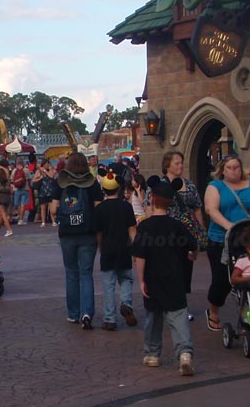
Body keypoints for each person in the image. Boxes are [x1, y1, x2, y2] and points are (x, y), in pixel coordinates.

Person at [132, 177, 196, 375]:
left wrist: (141, 280)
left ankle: (152, 354)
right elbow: (193, 248)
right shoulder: (177, 226)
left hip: (153, 278)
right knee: (178, 317)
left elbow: (140, 256)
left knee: (153, 317)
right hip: (175, 278)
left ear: (151, 199)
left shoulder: (145, 227)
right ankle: (184, 353)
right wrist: (190, 255)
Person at [203, 154, 250, 331]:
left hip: (248, 240)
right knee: (222, 279)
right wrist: (229, 226)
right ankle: (214, 309)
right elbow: (211, 209)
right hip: (221, 240)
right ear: (222, 171)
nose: (234, 171)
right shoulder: (215, 186)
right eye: (229, 168)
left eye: (237, 167)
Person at [146, 151, 207, 318]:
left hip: (185, 233)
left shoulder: (190, 185)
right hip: (165, 233)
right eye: (176, 163)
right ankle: (166, 303)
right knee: (167, 268)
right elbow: (149, 206)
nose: (180, 166)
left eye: (181, 163)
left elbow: (197, 208)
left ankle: (180, 305)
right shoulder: (158, 185)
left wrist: (201, 230)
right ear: (168, 165)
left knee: (184, 269)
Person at [56, 151, 103, 329]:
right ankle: (87, 312)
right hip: (87, 232)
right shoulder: (91, 183)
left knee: (71, 272)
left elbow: (53, 209)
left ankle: (73, 313)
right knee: (86, 273)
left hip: (67, 232)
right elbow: (98, 209)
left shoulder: (61, 182)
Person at [94, 172, 138, 331]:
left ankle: (109, 318)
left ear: (104, 189)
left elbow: (98, 233)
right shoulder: (126, 206)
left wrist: (100, 247)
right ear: (118, 188)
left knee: (108, 285)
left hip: (107, 250)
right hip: (124, 249)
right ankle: (126, 303)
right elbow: (132, 229)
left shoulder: (100, 209)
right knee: (126, 278)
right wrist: (136, 249)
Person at [11, 158, 30, 225]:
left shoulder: (14, 171)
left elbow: (12, 181)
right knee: (23, 204)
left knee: (18, 205)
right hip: (25, 189)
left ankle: (19, 219)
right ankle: (21, 220)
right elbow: (29, 179)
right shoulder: (26, 170)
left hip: (17, 189)